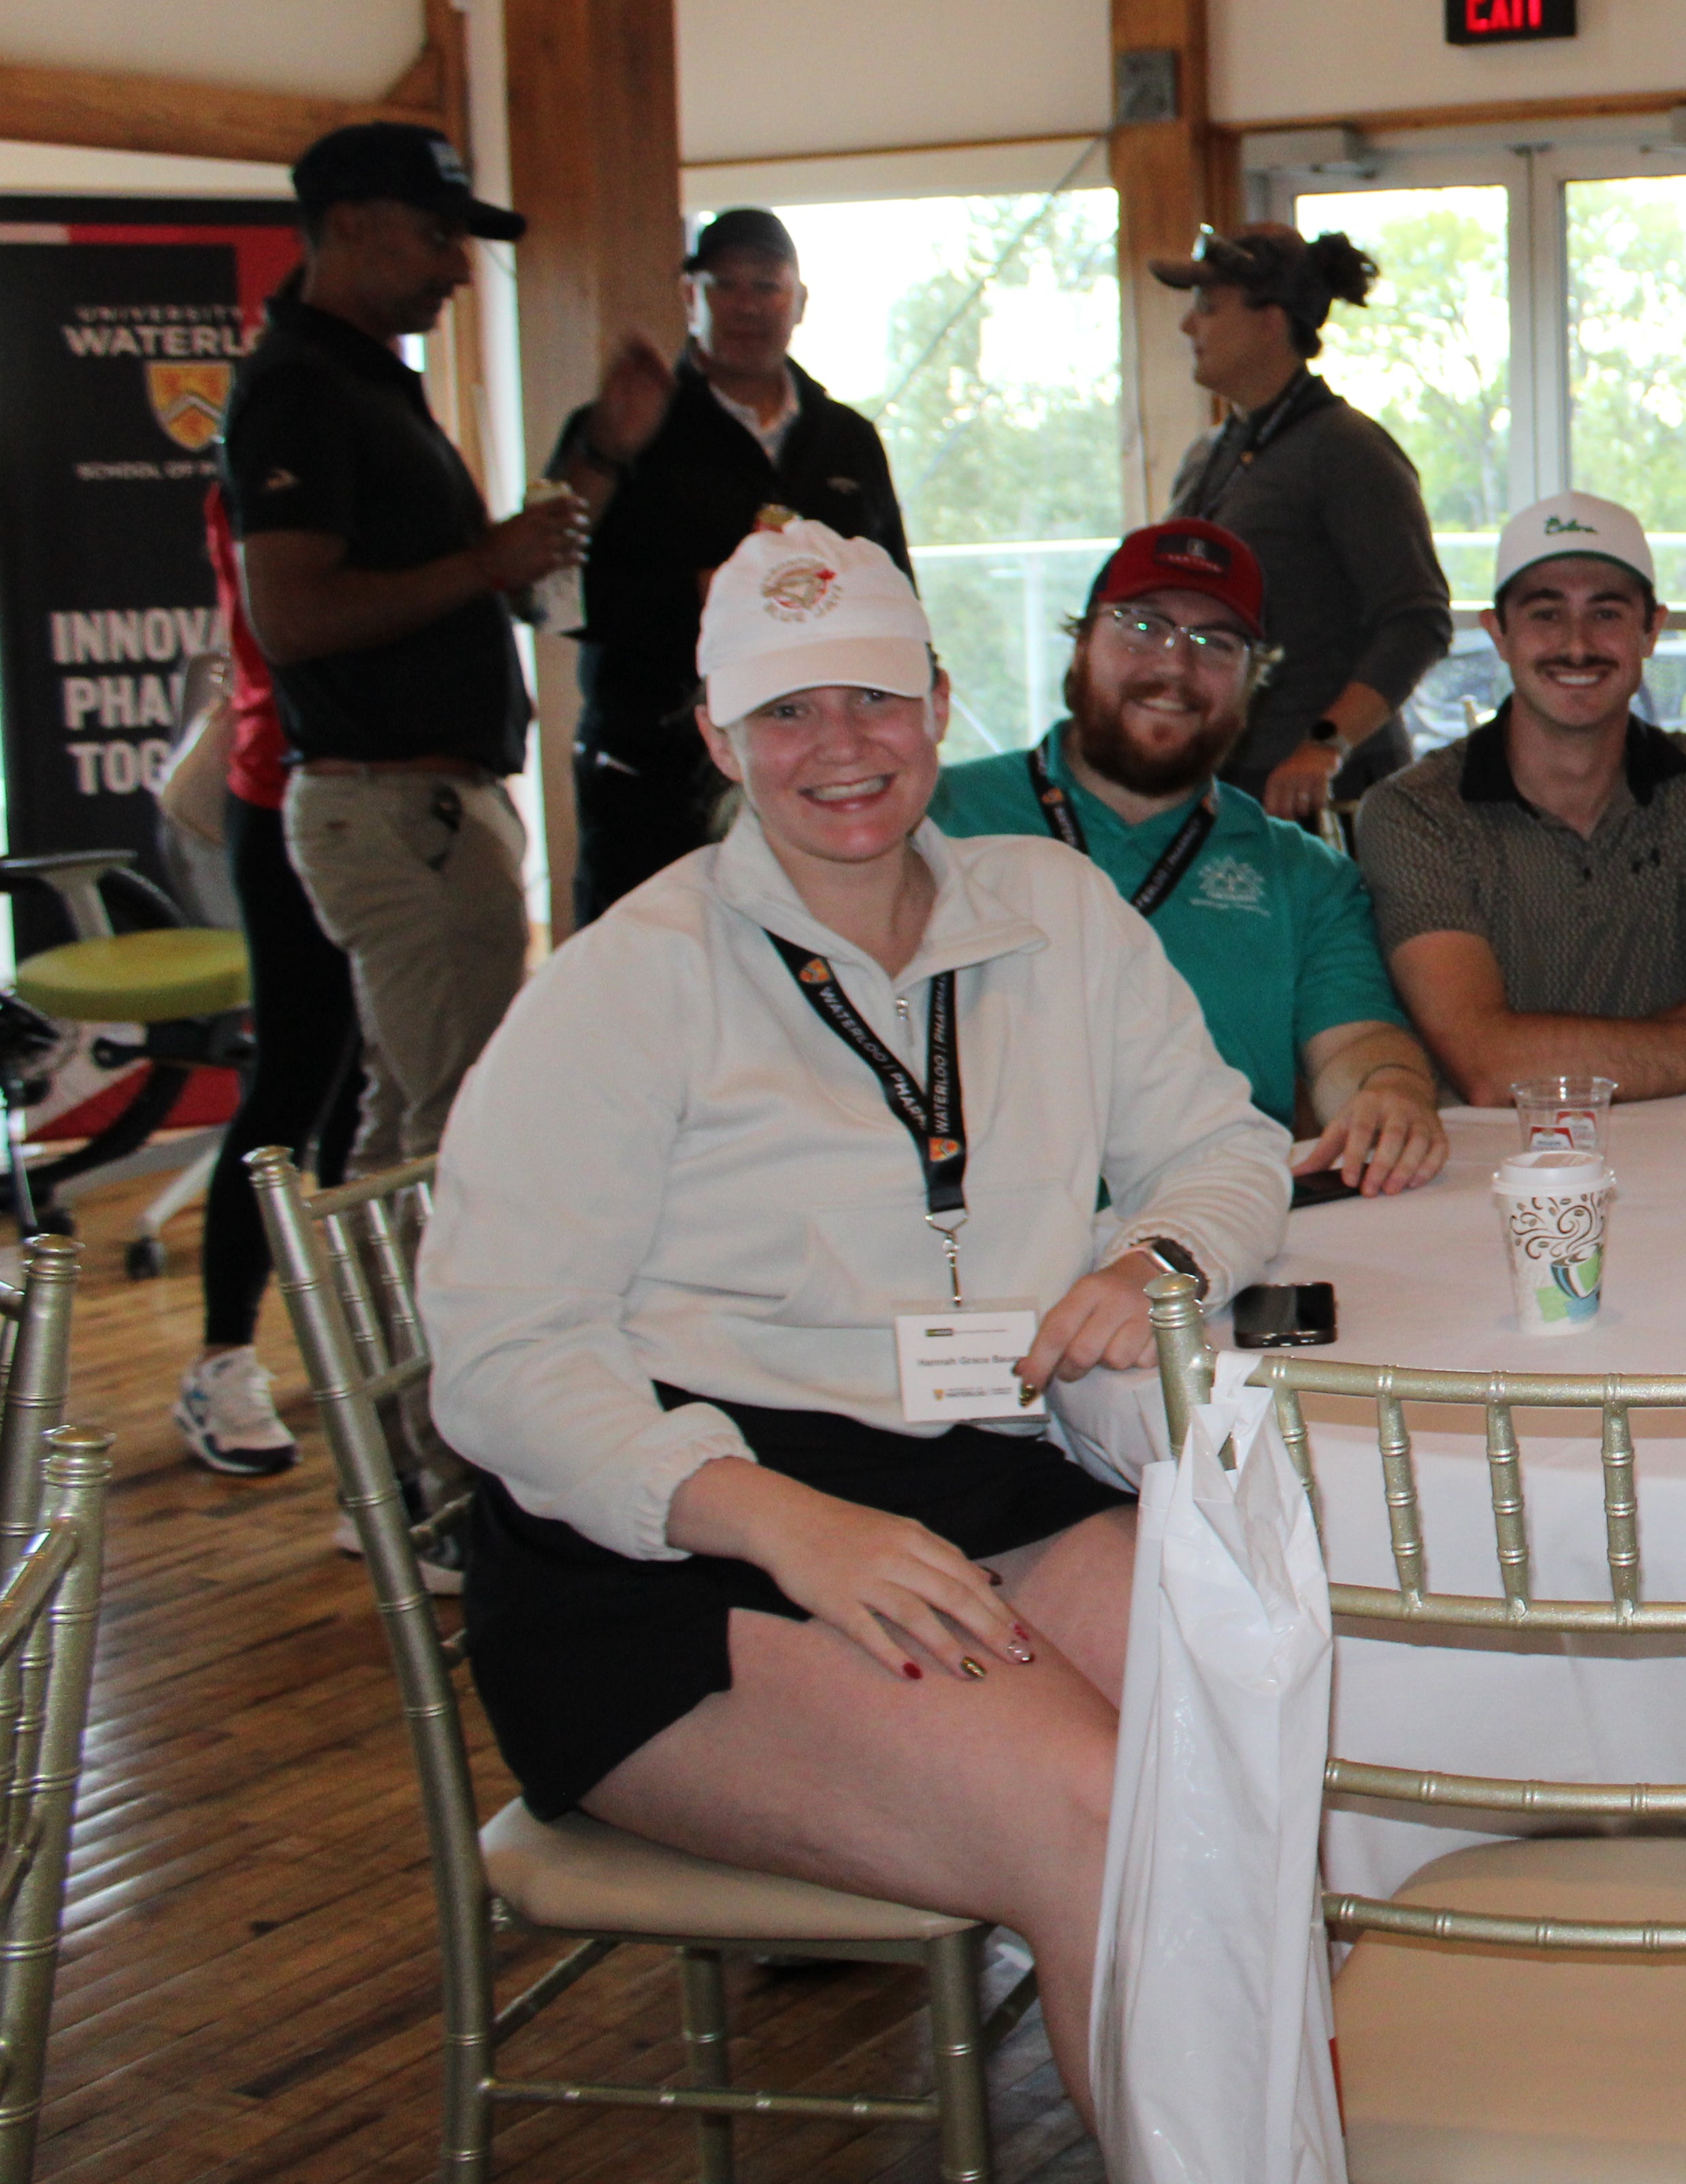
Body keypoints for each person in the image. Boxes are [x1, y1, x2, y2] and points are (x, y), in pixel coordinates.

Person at [419, 521, 1288, 2136]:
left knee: (1272, 1721)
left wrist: (1153, 1253)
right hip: (673, 1540)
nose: (842, 750)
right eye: (788, 712)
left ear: (942, 700)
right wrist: (790, 1525)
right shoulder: (635, 975)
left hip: (980, 1471)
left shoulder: (1051, 909)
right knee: (1105, 1811)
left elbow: (1228, 1147)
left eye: (877, 701)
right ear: (715, 735)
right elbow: (499, 1352)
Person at [223, 121, 579, 1167]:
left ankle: (377, 1340)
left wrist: (578, 480)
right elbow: (289, 618)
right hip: (389, 809)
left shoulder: (366, 379)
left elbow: (471, 585)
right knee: (458, 1131)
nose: (460, 268)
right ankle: (437, 1341)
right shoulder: (298, 386)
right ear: (348, 226)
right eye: (436, 235)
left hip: (425, 805)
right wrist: (482, 564)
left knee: (407, 1124)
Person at [933, 517, 1446, 1193]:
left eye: (1215, 642)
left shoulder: (1303, 874)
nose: (1175, 666)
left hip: (1217, 1221)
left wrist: (1393, 1090)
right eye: (1142, 626)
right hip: (976, 1225)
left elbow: (1355, 1045)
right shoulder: (940, 817)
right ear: (1081, 642)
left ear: (1251, 681)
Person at [1353, 491, 1686, 1103]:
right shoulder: (1415, 810)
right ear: (1499, 633)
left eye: (1607, 613)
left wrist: (1540, 1050)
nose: (1576, 644)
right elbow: (1486, 1067)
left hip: (1672, 1138)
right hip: (1484, 1166)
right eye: (1545, 613)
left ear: (1652, 630)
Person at [545, 206, 913, 924]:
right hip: (652, 779)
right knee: (649, 994)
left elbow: (898, 597)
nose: (747, 306)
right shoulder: (615, 428)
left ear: (800, 302)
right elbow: (549, 596)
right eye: (725, 286)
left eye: (768, 286)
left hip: (817, 777)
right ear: (690, 298)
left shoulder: (848, 439)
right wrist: (701, 597)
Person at [174, 477, 363, 1478]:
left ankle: (367, 1353)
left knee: (366, 1103)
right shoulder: (281, 433)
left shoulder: (378, 412)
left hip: (388, 807)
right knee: (295, 1085)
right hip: (286, 794)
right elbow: (294, 624)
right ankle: (221, 1358)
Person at [1154, 223, 1455, 817]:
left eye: (1209, 308)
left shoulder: (1346, 450)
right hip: (1221, 777)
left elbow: (1418, 621)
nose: (1189, 325)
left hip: (1318, 792)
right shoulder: (1211, 453)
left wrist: (1324, 746)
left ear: (1271, 323)